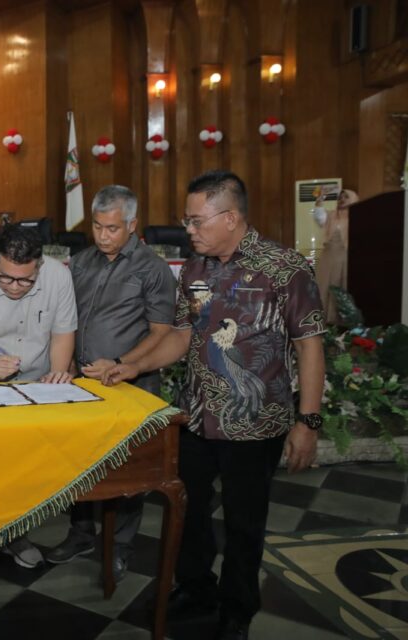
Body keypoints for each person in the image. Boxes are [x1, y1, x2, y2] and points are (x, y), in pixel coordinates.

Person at [104, 170, 326, 640]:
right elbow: (182, 336)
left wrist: (308, 421)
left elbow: (309, 345)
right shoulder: (194, 269)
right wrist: (130, 366)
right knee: (188, 511)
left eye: (196, 220)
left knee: (245, 523)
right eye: (186, 220)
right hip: (196, 416)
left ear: (230, 217)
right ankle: (196, 588)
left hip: (255, 423)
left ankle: (237, 609)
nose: (189, 230)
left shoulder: (284, 268)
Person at [46, 186, 175, 580]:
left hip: (131, 384)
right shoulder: (81, 262)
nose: (103, 236)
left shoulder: (152, 268)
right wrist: (67, 363)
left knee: (126, 467)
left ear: (132, 225)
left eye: (113, 228)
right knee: (81, 461)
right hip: (83, 383)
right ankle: (81, 533)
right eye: (98, 227)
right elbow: (68, 319)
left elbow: (161, 331)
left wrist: (122, 363)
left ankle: (119, 545)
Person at [0, 222, 77, 568]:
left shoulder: (58, 277)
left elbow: (62, 333)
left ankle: (14, 534)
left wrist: (57, 375)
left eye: (25, 280)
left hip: (36, 385)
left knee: (22, 472)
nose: (15, 287)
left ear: (39, 265)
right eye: (6, 278)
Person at [312, 188, 359, 324]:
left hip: (346, 260)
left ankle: (342, 323)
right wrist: (320, 199)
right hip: (328, 259)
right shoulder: (331, 216)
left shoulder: (359, 217)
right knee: (324, 287)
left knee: (342, 288)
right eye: (340, 197)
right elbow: (318, 216)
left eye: (346, 197)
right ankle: (324, 322)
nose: (341, 199)